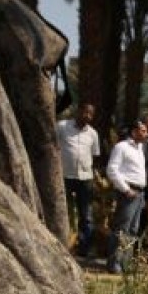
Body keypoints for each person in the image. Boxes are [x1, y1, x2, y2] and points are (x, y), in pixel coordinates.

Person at [104, 119, 148, 273]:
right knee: (122, 228)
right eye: (143, 130)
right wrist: (125, 189)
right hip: (128, 192)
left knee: (133, 229)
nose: (146, 133)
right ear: (134, 132)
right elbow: (112, 170)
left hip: (139, 193)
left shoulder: (140, 148)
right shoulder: (121, 147)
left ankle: (125, 263)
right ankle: (114, 263)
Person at [56, 103, 101, 256]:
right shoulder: (62, 126)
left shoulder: (93, 134)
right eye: (85, 112)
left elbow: (95, 155)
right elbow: (52, 146)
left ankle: (85, 249)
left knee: (86, 215)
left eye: (90, 114)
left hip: (85, 178)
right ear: (78, 111)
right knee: (64, 212)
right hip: (65, 176)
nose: (87, 116)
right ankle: (62, 246)